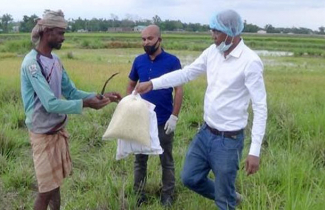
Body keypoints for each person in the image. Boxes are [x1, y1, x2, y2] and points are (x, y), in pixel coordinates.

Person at [135, 10, 267, 210]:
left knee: (224, 203)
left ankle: (227, 198)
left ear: (231, 32)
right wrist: (153, 84)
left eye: (216, 31)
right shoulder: (212, 52)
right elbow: (186, 74)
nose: (212, 35)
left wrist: (254, 150)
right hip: (206, 132)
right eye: (212, 30)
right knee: (189, 178)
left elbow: (260, 106)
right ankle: (229, 196)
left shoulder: (250, 61)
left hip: (228, 140)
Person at [20, 10, 121, 210]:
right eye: (60, 33)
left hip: (57, 130)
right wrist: (86, 104)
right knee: (45, 191)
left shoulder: (55, 61)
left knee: (55, 185)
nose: (63, 37)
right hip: (43, 133)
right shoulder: (32, 64)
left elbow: (71, 91)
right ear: (47, 32)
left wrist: (99, 97)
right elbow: (50, 103)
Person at [126, 25, 183, 207]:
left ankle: (167, 196)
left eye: (150, 38)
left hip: (163, 120)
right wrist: (128, 107)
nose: (146, 42)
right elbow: (130, 85)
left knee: (166, 159)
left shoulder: (172, 61)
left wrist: (174, 116)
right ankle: (139, 195)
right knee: (140, 159)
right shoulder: (138, 61)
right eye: (143, 39)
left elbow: (179, 90)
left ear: (159, 39)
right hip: (141, 119)